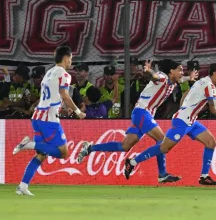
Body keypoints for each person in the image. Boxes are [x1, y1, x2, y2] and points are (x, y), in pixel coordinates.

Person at [77, 59, 197, 183]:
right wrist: (149, 70)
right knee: (162, 140)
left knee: (125, 146)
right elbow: (155, 76)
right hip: (142, 113)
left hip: (142, 113)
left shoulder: (173, 81)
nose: (182, 73)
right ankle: (157, 172)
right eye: (180, 70)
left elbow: (181, 79)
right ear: (171, 71)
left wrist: (189, 77)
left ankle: (90, 148)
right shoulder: (162, 77)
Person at [124, 63, 216, 186]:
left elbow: (186, 93)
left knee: (210, 142)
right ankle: (132, 162)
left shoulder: (202, 81)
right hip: (182, 121)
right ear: (214, 73)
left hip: (191, 121)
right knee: (164, 148)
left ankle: (204, 177)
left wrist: (183, 107)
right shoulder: (210, 86)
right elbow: (213, 109)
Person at [12, 46, 87, 196]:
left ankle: (22, 186)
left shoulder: (49, 73)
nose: (71, 61)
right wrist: (78, 112)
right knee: (63, 152)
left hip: (38, 116)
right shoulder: (65, 74)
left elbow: (51, 95)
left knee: (41, 154)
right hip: (49, 119)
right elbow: (64, 95)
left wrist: (63, 106)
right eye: (71, 58)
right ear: (66, 58)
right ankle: (28, 144)